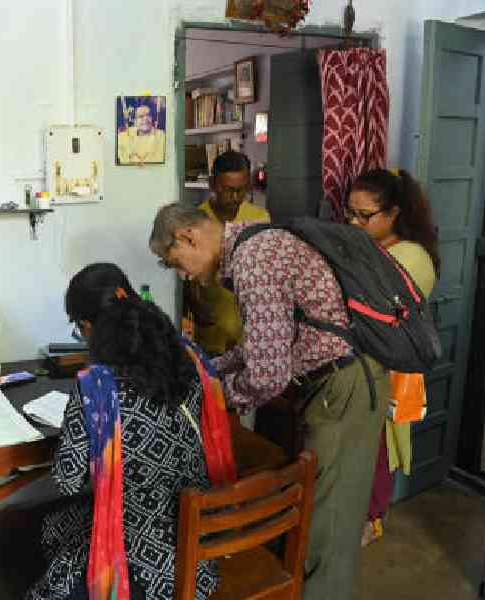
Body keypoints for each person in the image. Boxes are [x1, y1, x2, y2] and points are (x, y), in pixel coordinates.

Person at [149, 203, 390, 600]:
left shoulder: (253, 262)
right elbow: (261, 347)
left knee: (327, 524)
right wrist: (205, 370)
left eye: (175, 262)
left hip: (344, 384)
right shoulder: (254, 245)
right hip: (337, 382)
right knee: (324, 511)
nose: (183, 274)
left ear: (188, 237)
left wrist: (207, 398)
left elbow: (267, 375)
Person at [26, 263, 219, 600]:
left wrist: (97, 443)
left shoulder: (97, 389)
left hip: (139, 563)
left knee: (49, 566)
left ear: (89, 327)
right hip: (202, 541)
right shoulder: (190, 358)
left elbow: (67, 480)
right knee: (54, 526)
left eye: (79, 328)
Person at [346, 169, 439, 546]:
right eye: (349, 213)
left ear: (394, 213)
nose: (353, 222)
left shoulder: (412, 257)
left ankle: (371, 520)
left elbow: (369, 307)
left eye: (364, 216)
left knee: (377, 449)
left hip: (385, 370)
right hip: (359, 367)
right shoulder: (371, 248)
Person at [191, 150, 270, 356]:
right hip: (210, 334)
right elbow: (184, 279)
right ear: (212, 185)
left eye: (241, 190)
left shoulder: (259, 218)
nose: (235, 197)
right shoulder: (196, 220)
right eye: (228, 190)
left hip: (248, 335)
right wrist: (195, 308)